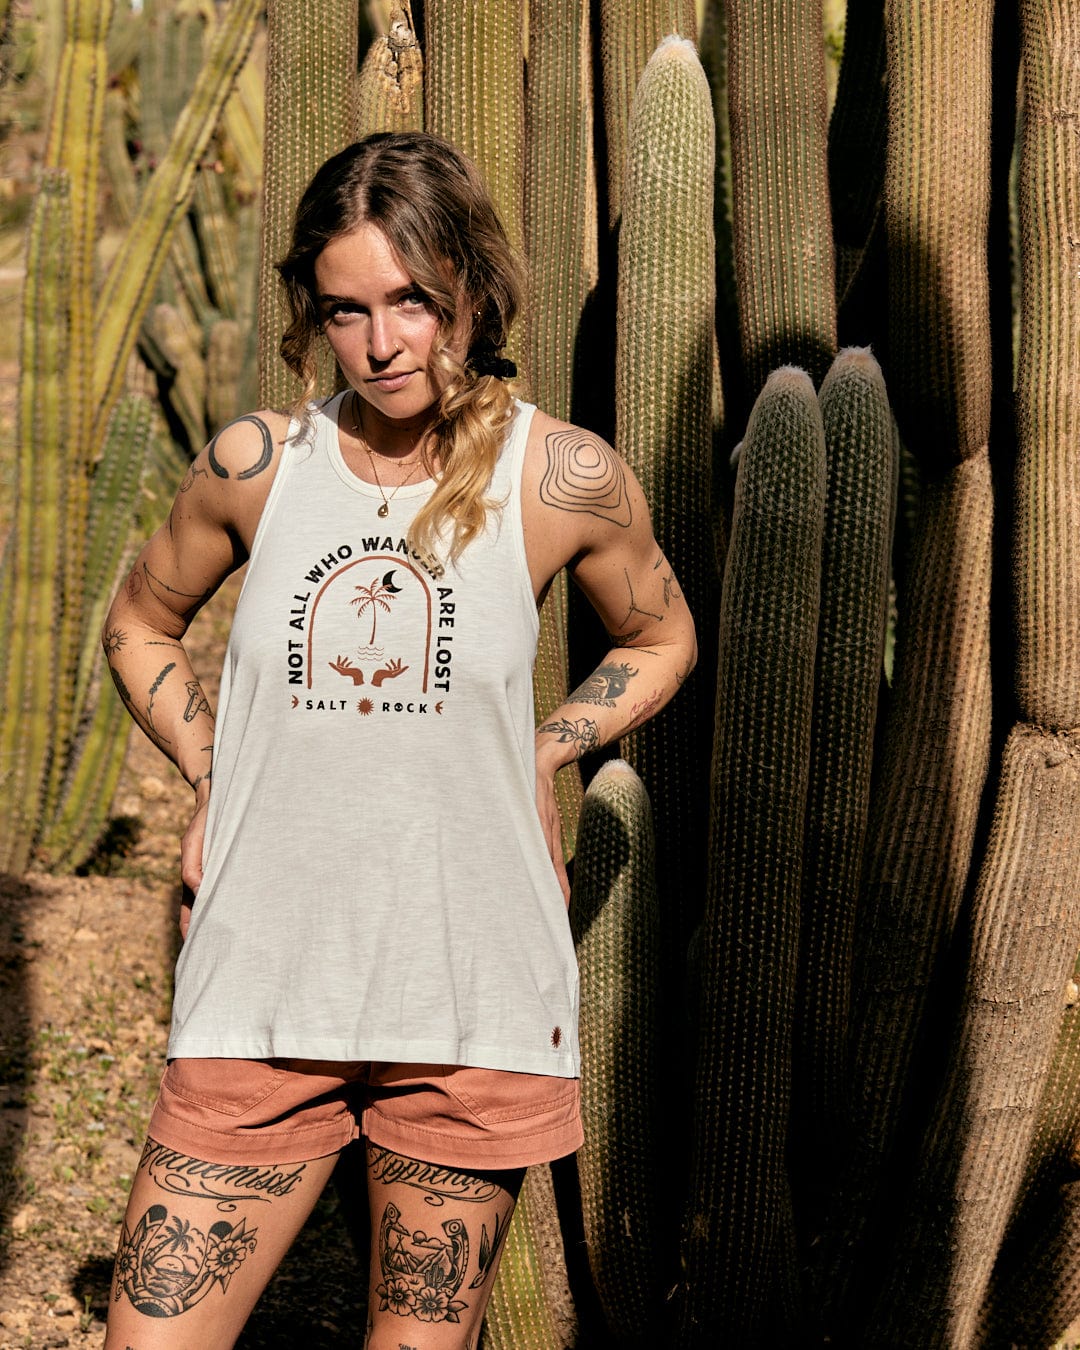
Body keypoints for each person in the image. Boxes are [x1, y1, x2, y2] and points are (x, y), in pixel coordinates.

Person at [101, 131, 696, 1349]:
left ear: (468, 289)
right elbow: (140, 623)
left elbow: (662, 633)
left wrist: (547, 746)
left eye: (411, 302)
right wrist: (221, 768)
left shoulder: (559, 477)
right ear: (314, 318)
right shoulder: (259, 468)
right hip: (262, 985)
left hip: (469, 995)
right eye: (346, 310)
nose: (381, 344)